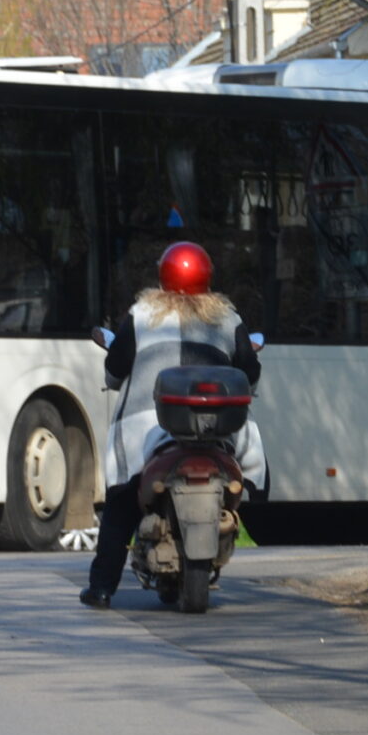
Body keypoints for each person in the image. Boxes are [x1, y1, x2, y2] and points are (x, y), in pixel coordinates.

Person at [82, 241, 266, 608]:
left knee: (121, 503)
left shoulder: (142, 313)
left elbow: (116, 369)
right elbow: (250, 372)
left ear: (163, 275)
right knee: (246, 464)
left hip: (148, 424)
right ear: (207, 275)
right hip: (217, 426)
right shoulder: (227, 317)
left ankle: (102, 587)